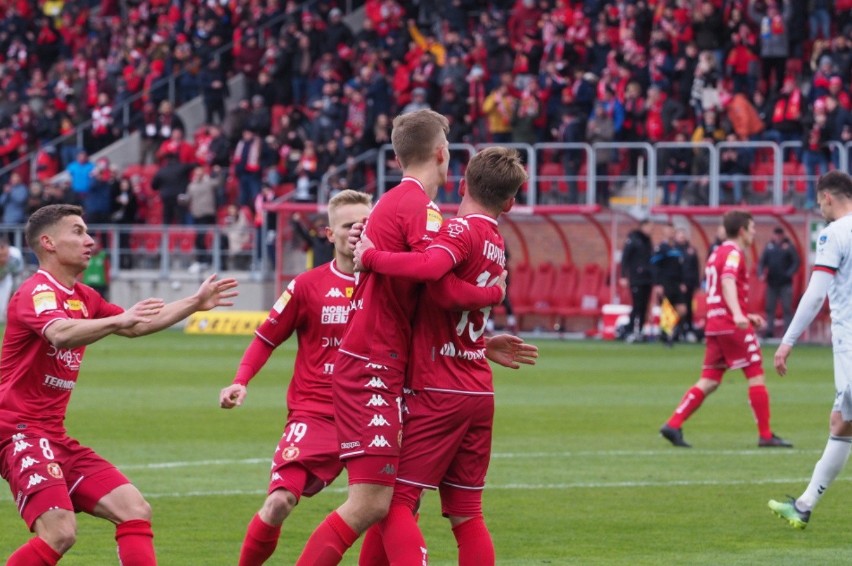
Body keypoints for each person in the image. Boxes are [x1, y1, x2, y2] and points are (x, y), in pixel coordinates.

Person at [294, 109, 504, 565]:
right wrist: (492, 293)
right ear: (441, 153)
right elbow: (438, 281)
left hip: (389, 362)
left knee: (386, 503)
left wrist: (482, 339)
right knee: (374, 502)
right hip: (372, 362)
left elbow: (427, 297)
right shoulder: (417, 207)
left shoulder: (415, 207)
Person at [0, 204, 238, 565]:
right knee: (60, 531)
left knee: (133, 508)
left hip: (53, 435)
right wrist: (118, 321)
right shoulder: (37, 291)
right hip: (18, 431)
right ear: (48, 243)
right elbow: (60, 334)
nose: (90, 240)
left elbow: (135, 325)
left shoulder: (83, 297)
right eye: (78, 232)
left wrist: (194, 303)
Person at [352, 146, 534, 564]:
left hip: (438, 387)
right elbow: (454, 300)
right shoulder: (495, 241)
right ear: (509, 202)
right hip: (477, 388)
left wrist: (370, 257)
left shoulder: (459, 230)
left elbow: (435, 277)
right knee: (467, 514)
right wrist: (490, 313)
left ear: (463, 181)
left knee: (394, 501)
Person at [219, 190, 373, 565]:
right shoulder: (306, 286)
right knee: (277, 503)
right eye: (349, 225)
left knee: (388, 509)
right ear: (329, 233)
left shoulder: (391, 284)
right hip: (316, 415)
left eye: (365, 224)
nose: (358, 231)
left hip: (373, 414)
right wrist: (241, 380)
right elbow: (265, 338)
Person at [659, 210, 792, 448]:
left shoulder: (716, 253)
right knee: (755, 372)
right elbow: (727, 280)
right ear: (742, 231)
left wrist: (743, 313)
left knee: (710, 379)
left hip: (715, 323)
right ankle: (766, 435)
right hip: (731, 325)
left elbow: (720, 289)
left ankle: (673, 423)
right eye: (751, 229)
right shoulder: (733, 253)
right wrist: (739, 314)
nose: (754, 233)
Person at [768, 171, 852, 529]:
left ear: (828, 198)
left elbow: (816, 293)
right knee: (843, 423)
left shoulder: (834, 234)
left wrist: (787, 340)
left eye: (819, 201)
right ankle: (804, 505)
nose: (819, 207)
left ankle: (804, 505)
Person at [759, 226, 800, 339]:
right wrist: (761, 273)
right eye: (775, 235)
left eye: (779, 235)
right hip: (772, 283)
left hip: (785, 283)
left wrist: (789, 273)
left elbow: (796, 261)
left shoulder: (788, 247)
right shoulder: (769, 247)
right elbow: (762, 262)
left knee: (787, 308)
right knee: (770, 308)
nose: (777, 237)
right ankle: (769, 331)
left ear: (782, 236)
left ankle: (788, 332)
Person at [651, 223, 688, 345]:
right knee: (667, 309)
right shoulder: (661, 248)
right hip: (665, 283)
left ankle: (670, 331)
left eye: (672, 230)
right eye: (668, 230)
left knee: (682, 309)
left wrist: (682, 282)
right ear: (664, 232)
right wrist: (657, 284)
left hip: (676, 283)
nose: (670, 233)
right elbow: (655, 267)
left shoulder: (678, 248)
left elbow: (681, 267)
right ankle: (667, 335)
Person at [619, 218, 654, 342]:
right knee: (637, 306)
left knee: (644, 307)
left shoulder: (648, 241)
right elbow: (625, 258)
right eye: (649, 227)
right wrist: (623, 276)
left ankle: (639, 330)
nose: (651, 230)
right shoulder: (633, 240)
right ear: (643, 226)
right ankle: (630, 330)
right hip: (636, 279)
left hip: (647, 279)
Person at [0, 235, 24, 323]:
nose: (3, 258)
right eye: (0, 256)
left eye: (5, 255)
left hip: (6, 277)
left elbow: (16, 276)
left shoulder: (15, 256)